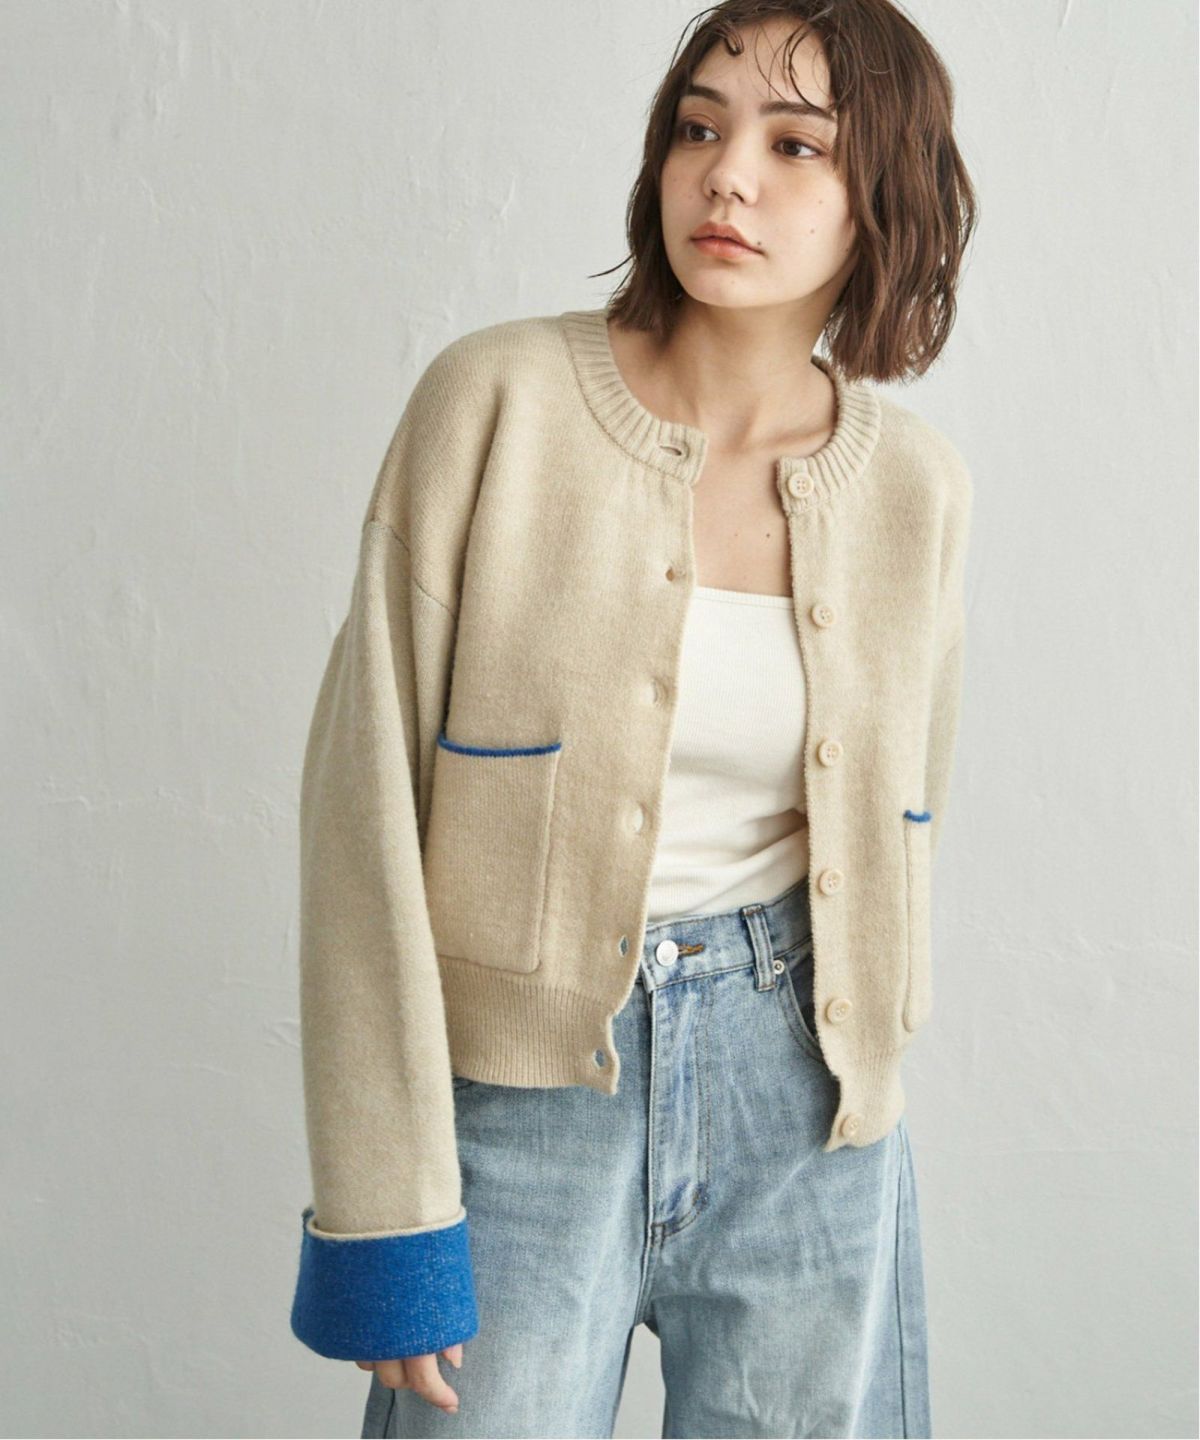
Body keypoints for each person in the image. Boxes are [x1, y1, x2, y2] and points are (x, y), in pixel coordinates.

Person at [288, 0, 977, 1435]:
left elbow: (908, 817)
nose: (728, 175)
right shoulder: (497, 406)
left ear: (885, 199)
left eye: (796, 145)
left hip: (806, 1103)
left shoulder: (913, 489)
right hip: (521, 1104)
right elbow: (361, 816)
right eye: (700, 127)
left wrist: (875, 1060)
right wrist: (387, 1208)